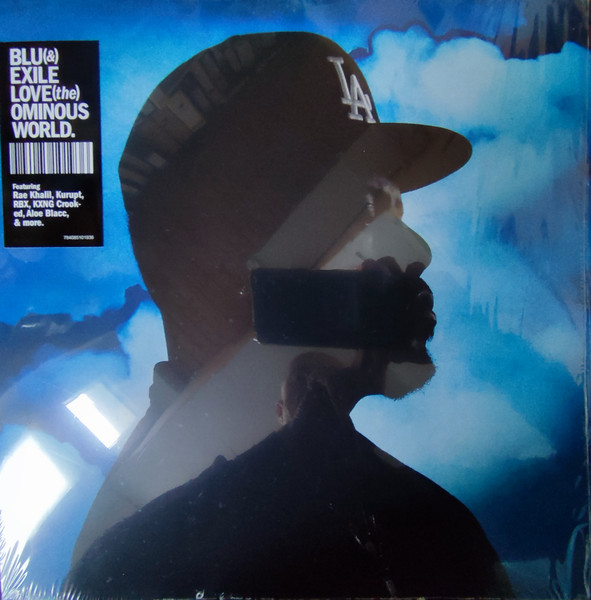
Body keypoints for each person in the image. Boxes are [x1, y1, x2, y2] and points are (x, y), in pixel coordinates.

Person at [67, 32, 513, 598]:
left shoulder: (146, 539)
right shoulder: (149, 560)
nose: (410, 255)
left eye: (392, 212)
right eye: (363, 213)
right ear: (228, 259)